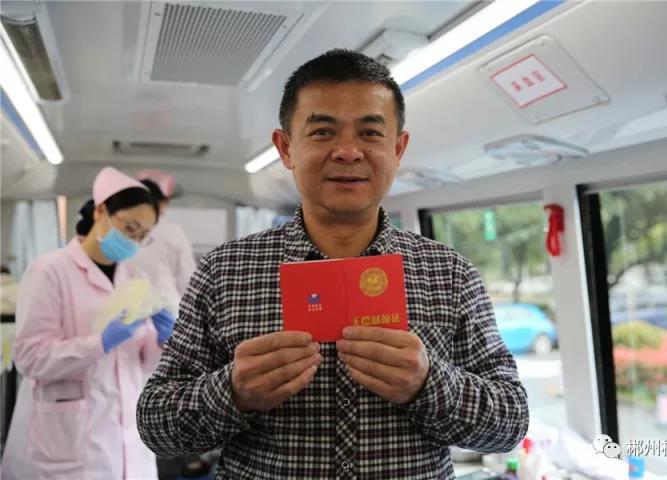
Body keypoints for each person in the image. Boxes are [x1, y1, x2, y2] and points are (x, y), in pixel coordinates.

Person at [137, 49, 529, 479]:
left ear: (398, 148)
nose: (347, 151)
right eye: (323, 132)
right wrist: (232, 392)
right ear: (286, 148)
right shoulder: (224, 271)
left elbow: (510, 421)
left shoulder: (449, 274)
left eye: (370, 133)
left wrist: (429, 383)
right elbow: (156, 423)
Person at [1, 167, 177, 480]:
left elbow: (141, 365)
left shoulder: (135, 279)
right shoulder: (49, 271)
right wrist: (100, 343)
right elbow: (29, 357)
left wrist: (165, 342)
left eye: (142, 236)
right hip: (65, 445)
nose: (133, 241)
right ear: (100, 211)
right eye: (129, 228)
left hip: (128, 442)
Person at [129, 170, 196, 314]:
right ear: (162, 202)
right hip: (166, 307)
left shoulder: (123, 227)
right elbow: (188, 281)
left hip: (127, 308)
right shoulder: (174, 232)